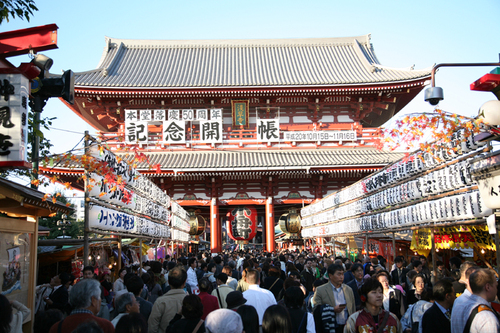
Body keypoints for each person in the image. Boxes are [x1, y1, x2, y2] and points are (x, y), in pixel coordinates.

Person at [48, 279, 114, 333]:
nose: (100, 300)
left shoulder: (57, 327)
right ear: (93, 300)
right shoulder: (105, 326)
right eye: (99, 297)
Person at [450, 268, 500, 333]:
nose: (497, 290)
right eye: (496, 286)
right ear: (487, 287)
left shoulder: (458, 302)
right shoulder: (487, 317)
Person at [312, 264, 356, 333]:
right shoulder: (320, 290)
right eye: (338, 274)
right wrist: (332, 310)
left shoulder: (348, 290)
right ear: (330, 275)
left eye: (342, 274)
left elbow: (353, 309)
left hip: (346, 326)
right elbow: (315, 309)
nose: (341, 277)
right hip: (330, 326)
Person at [148, 267, 187, 333]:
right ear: (184, 283)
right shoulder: (191, 301)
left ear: (168, 282)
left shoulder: (160, 302)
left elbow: (152, 327)